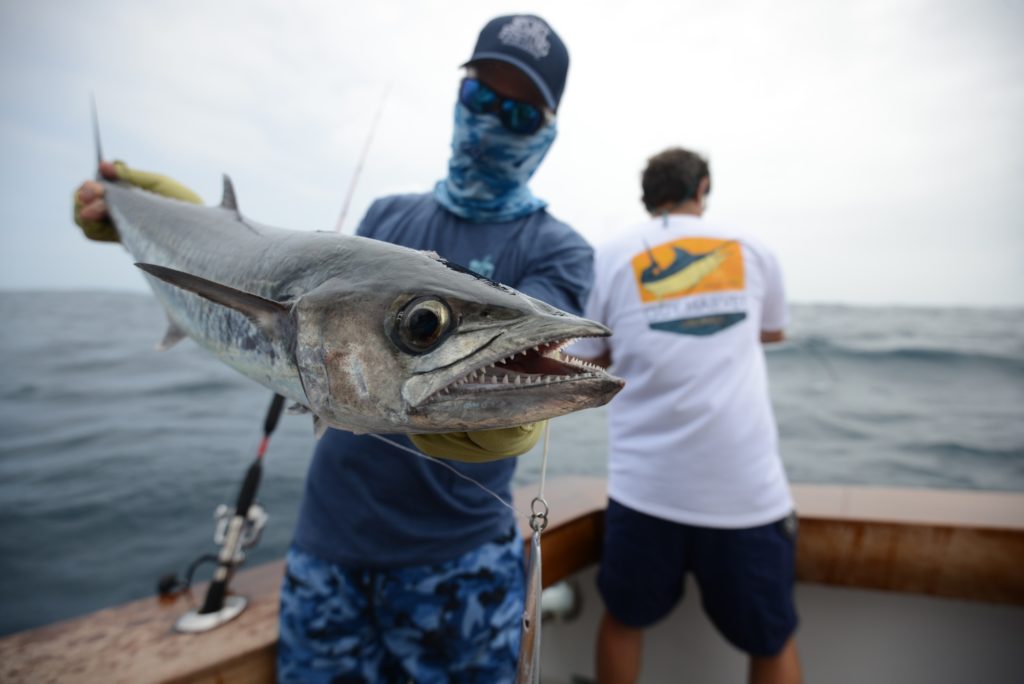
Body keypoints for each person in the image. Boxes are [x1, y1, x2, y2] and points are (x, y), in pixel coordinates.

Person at [73, 14, 591, 683]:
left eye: (519, 112)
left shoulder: (558, 249)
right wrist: (159, 215)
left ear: (548, 130)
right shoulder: (388, 215)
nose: (493, 120)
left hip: (461, 563)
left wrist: (511, 420)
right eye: (480, 98)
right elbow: (274, 271)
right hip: (328, 547)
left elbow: (527, 360)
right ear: (457, 97)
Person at [571, 147, 802, 684]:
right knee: (772, 640)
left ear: (648, 197)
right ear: (702, 188)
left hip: (645, 490)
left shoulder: (609, 255)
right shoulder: (753, 248)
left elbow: (589, 355)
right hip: (747, 495)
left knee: (624, 622)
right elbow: (772, 330)